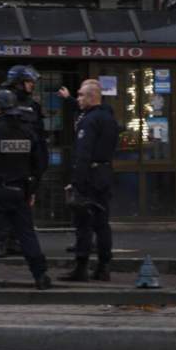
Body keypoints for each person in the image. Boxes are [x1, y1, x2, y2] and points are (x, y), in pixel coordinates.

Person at [0, 89, 51, 291]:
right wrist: (31, 190)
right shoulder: (28, 132)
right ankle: (40, 276)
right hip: (20, 191)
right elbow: (40, 164)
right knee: (27, 235)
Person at [59, 81, 118, 282]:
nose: (79, 99)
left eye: (82, 95)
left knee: (83, 223)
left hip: (90, 177)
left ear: (92, 97)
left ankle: (81, 267)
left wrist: (76, 182)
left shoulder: (90, 120)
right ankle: (103, 267)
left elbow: (83, 154)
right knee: (102, 224)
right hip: (104, 174)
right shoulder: (109, 117)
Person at [0, 65, 48, 255]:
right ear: (17, 83)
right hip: (6, 160)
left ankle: (16, 241)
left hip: (26, 160)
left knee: (24, 203)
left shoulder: (33, 105)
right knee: (3, 204)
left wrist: (41, 161)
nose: (31, 85)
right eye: (28, 82)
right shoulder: (3, 100)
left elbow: (40, 134)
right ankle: (2, 241)